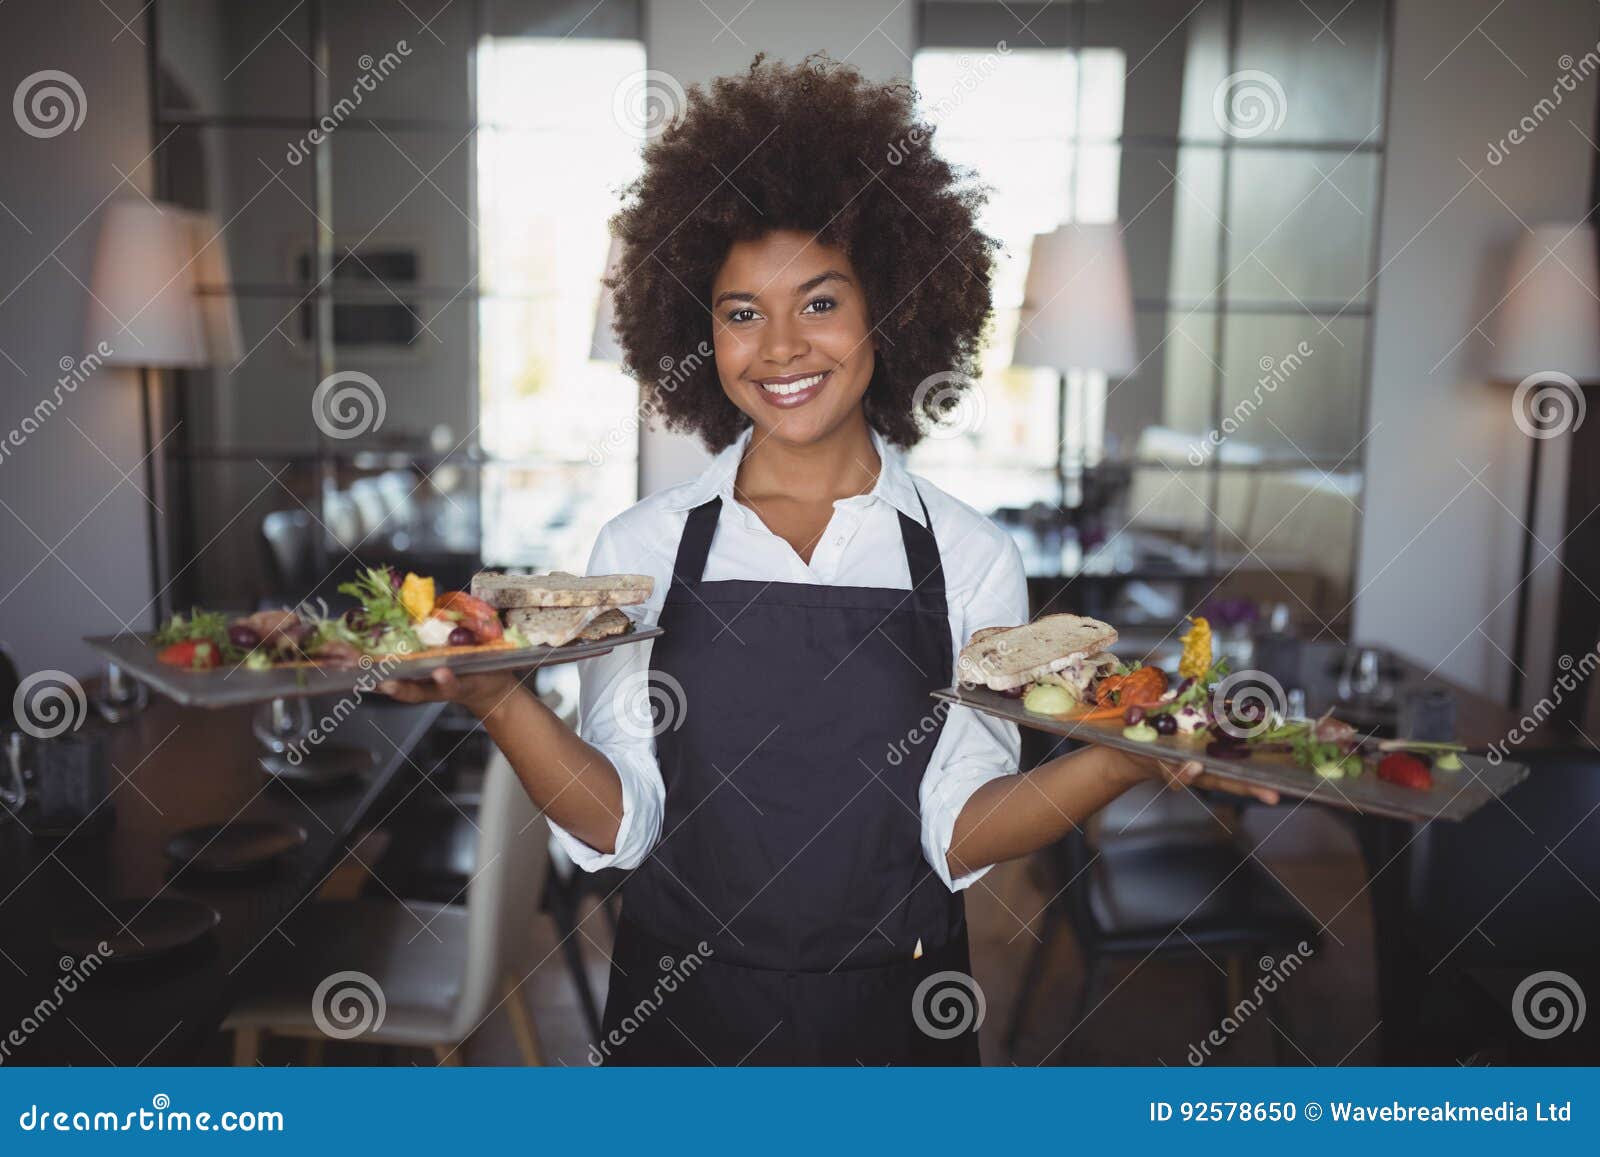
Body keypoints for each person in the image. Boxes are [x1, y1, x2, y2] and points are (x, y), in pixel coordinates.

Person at [380, 53, 1277, 1066]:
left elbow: (957, 826)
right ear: (695, 327)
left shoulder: (968, 555)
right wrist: (502, 703)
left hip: (897, 1014)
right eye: (739, 311)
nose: (778, 349)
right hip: (682, 1010)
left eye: (818, 302)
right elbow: (622, 821)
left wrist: (1123, 756)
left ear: (888, 309)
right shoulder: (640, 547)